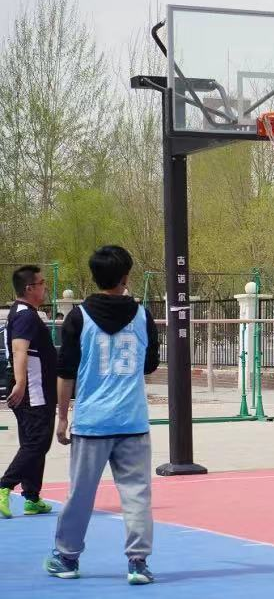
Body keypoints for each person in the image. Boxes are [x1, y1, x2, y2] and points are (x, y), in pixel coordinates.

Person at [45, 246, 161, 584]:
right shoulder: (143, 316)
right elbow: (150, 365)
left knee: (81, 493)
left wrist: (62, 417)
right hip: (132, 421)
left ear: (95, 276)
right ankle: (137, 563)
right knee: (137, 494)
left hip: (92, 422)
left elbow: (65, 372)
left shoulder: (78, 317)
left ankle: (67, 557)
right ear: (126, 276)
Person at [0, 266, 57, 519]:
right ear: (29, 288)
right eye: (42, 283)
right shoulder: (25, 316)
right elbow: (19, 349)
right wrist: (21, 383)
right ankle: (4, 486)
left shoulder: (25, 313)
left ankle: (32, 496)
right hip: (33, 390)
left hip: (36, 389)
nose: (45, 287)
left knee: (33, 442)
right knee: (38, 442)